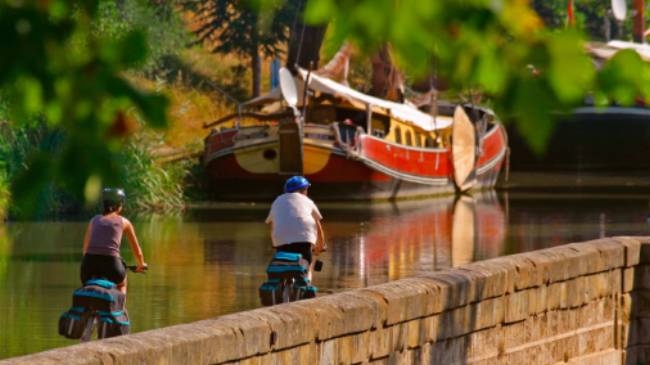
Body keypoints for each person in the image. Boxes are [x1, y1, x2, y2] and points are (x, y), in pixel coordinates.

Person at [80, 188, 147, 294]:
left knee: (87, 286)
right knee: (122, 284)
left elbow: (85, 250)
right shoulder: (125, 222)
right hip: (112, 265)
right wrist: (141, 264)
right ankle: (120, 308)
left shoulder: (94, 220)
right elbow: (137, 251)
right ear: (120, 204)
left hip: (89, 265)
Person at [265, 176, 325, 277]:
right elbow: (318, 228)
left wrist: (275, 243)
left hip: (281, 241)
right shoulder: (308, 202)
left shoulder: (278, 200)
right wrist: (320, 247)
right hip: (304, 241)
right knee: (307, 267)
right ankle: (306, 284)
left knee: (282, 265)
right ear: (304, 190)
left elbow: (272, 225)